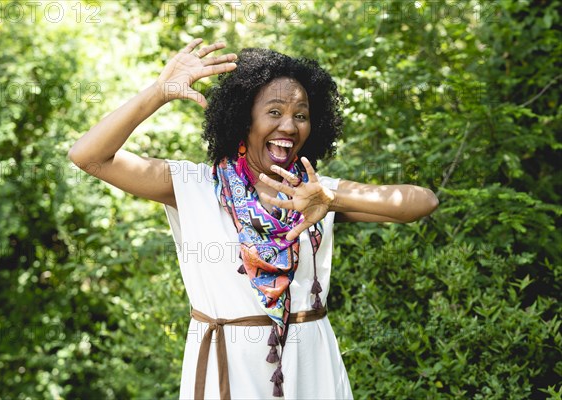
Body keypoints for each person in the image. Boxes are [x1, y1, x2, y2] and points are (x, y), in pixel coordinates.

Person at [68, 39, 439, 399]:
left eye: (302, 115)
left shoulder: (316, 192)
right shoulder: (195, 184)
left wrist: (332, 198)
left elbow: (422, 202)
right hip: (228, 368)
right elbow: (89, 156)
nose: (290, 126)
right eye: (274, 112)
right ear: (244, 119)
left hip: (312, 369)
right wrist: (159, 91)